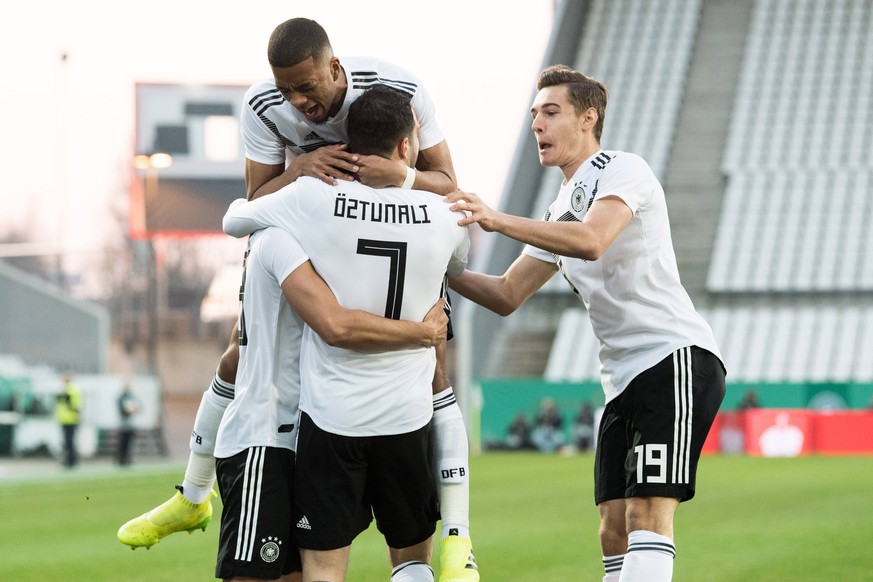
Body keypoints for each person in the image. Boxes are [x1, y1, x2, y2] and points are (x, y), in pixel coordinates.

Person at [118, 18, 478, 579]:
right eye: (287, 90)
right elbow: (255, 197)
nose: (298, 101)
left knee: (431, 367)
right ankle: (193, 490)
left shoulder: (400, 87)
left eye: (307, 87)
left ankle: (458, 534)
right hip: (310, 225)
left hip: (357, 228)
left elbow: (447, 179)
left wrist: (398, 177)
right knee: (245, 351)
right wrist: (303, 168)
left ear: (337, 69)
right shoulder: (263, 106)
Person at [444, 64, 726, 582]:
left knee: (647, 514)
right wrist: (441, 265)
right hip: (621, 379)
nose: (537, 125)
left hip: (674, 357)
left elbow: (593, 240)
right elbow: (507, 294)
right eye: (533, 115)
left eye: (551, 113)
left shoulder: (623, 169)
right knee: (612, 528)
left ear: (587, 119)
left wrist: (496, 218)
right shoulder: (557, 210)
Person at [222, 84, 470, 582]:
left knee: (325, 569)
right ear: (406, 146)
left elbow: (234, 219)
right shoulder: (447, 217)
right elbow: (459, 268)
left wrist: (295, 173)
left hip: (333, 419)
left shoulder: (313, 198)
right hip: (407, 415)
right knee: (412, 560)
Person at [213, 218, 448, 581]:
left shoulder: (300, 227)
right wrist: (424, 333)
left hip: (314, 428)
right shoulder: (282, 237)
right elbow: (335, 326)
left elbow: (232, 356)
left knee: (314, 571)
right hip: (269, 438)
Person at [54, 371, 82, 468]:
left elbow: (74, 405)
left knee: (69, 441)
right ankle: (70, 460)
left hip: (70, 419)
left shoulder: (70, 390)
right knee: (68, 441)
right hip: (65, 419)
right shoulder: (67, 389)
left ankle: (71, 461)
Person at [117, 383, 140, 466]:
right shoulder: (122, 397)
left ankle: (128, 458)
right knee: (123, 442)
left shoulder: (132, 397)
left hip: (131, 425)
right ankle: (121, 459)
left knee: (130, 442)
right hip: (124, 425)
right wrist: (130, 409)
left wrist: (132, 409)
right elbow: (124, 410)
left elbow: (138, 407)